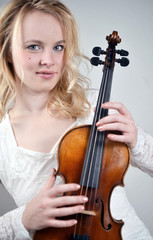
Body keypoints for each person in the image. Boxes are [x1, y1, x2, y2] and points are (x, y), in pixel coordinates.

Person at [0, 0, 152, 239]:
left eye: (58, 47)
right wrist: (23, 219)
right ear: (7, 51)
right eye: (33, 47)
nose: (48, 60)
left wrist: (138, 143)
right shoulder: (2, 139)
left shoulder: (94, 108)